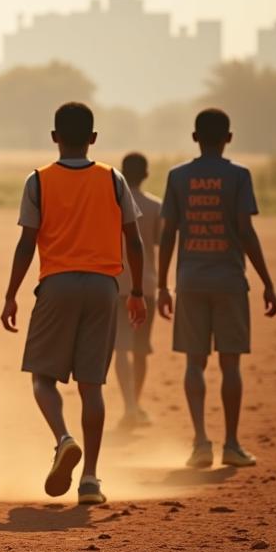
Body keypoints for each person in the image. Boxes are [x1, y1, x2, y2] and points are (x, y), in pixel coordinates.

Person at [1, 102, 146, 505]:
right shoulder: (114, 179)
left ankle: (63, 438)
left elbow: (27, 243)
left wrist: (12, 294)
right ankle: (91, 480)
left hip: (57, 284)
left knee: (43, 378)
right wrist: (136, 292)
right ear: (93, 139)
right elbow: (133, 240)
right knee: (92, 386)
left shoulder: (39, 181)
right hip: (104, 287)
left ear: (54, 138)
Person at [157, 108, 276, 469]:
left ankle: (199, 444)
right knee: (231, 365)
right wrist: (267, 282)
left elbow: (168, 234)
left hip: (190, 282)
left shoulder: (178, 176)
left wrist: (163, 285)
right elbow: (245, 230)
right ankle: (231, 444)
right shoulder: (239, 176)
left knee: (194, 363)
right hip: (229, 282)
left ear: (195, 138)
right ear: (229, 138)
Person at [113, 152, 162, 430]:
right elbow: (156, 242)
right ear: (145, 174)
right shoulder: (155, 206)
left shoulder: (112, 204)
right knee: (141, 349)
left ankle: (130, 404)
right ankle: (134, 404)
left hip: (116, 283)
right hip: (145, 285)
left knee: (121, 346)